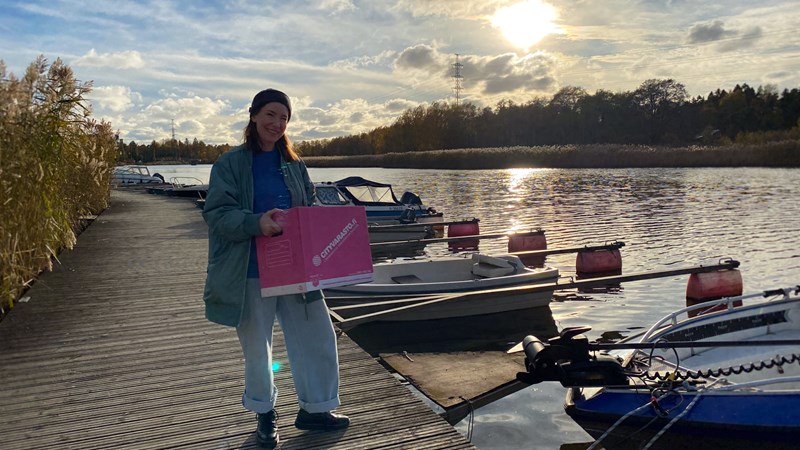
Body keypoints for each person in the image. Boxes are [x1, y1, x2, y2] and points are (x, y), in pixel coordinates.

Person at [202, 88, 349, 448]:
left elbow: (309, 205)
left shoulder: (295, 164)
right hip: (249, 270)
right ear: (253, 116)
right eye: (270, 114)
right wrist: (257, 223)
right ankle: (265, 415)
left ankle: (315, 409)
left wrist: (328, 227)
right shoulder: (230, 164)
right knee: (258, 348)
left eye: (283, 118)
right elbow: (217, 215)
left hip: (297, 269)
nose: (277, 123)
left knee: (317, 336)